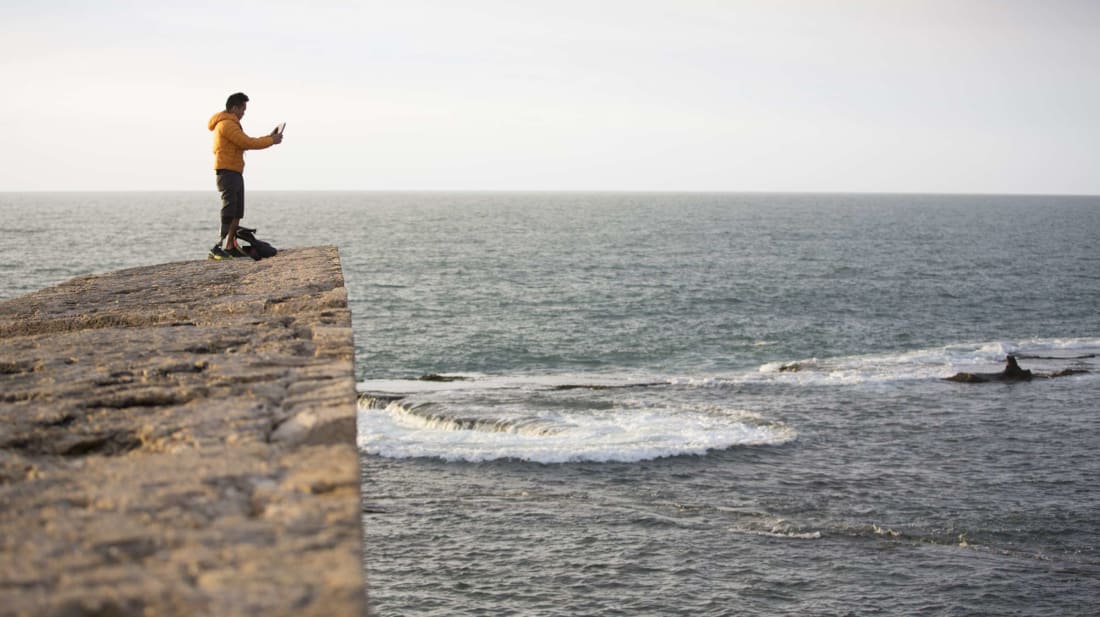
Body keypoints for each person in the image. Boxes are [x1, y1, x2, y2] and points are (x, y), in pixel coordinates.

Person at [207, 92, 283, 260]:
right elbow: (247, 142)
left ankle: (229, 247)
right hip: (227, 171)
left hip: (234, 171)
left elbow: (246, 141)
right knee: (229, 209)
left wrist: (269, 138)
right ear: (234, 108)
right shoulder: (226, 124)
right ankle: (217, 247)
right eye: (242, 109)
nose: (243, 113)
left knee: (237, 212)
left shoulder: (231, 124)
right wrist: (271, 140)